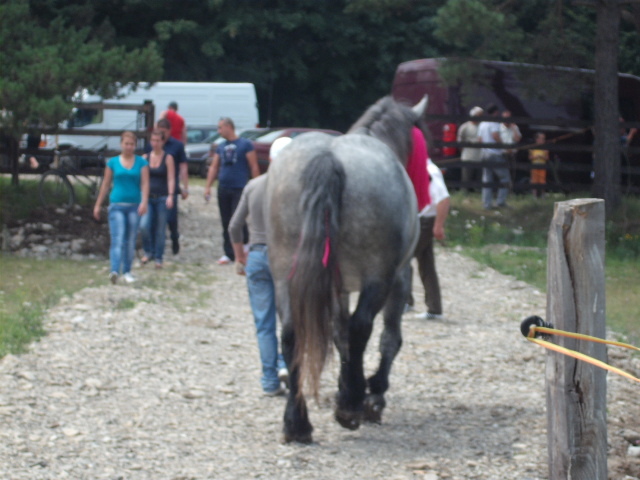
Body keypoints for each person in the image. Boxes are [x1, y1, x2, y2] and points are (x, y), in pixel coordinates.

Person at [228, 137, 291, 396]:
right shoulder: (294, 189)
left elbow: (234, 226)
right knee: (289, 319)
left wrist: (239, 255)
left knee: (264, 323)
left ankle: (269, 381)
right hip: (285, 257)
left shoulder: (253, 186)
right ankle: (285, 362)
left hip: (256, 255)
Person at [93, 131, 149, 284]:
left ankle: (128, 271)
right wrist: (98, 204)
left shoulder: (141, 163)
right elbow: (105, 184)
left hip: (134, 206)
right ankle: (114, 270)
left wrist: (144, 201)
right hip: (117, 205)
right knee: (117, 238)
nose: (129, 147)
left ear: (135, 146)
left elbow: (145, 183)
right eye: (126, 144)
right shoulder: (112, 162)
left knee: (130, 240)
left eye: (132, 144)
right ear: (121, 144)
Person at [204, 117, 260, 265]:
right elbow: (214, 166)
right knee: (226, 220)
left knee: (238, 219)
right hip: (224, 187)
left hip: (239, 187)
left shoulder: (245, 144)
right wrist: (208, 186)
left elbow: (253, 165)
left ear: (229, 127)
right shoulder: (221, 146)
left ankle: (245, 246)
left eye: (220, 127)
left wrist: (258, 186)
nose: (219, 131)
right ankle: (229, 253)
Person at [412, 159, 450, 320]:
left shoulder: (428, 170)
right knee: (426, 265)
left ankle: (403, 301)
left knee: (401, 260)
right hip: (421, 219)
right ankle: (434, 308)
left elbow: (443, 199)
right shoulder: (420, 167)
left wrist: (438, 226)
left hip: (425, 221)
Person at [147, 118, 189, 255]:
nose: (162, 135)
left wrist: (185, 186)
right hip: (154, 186)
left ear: (170, 132)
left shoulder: (177, 146)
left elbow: (183, 166)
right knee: (152, 220)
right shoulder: (152, 146)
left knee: (171, 217)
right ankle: (153, 248)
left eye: (164, 132)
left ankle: (174, 237)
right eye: (160, 131)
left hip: (171, 186)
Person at [140, 129, 175, 268]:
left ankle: (158, 257)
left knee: (160, 229)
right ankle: (148, 251)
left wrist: (171, 195)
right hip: (147, 197)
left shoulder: (168, 158)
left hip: (162, 197)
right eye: (152, 141)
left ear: (162, 141)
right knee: (144, 226)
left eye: (157, 141)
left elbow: (171, 178)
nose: (154, 143)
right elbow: (141, 179)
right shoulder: (145, 158)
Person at [478, 104, 510, 210]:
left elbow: (479, 140)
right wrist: (504, 147)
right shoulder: (494, 124)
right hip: (495, 154)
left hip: (484, 154)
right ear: (495, 112)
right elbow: (495, 136)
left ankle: (486, 204)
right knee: (505, 178)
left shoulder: (482, 124)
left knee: (487, 179)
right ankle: (500, 202)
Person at [457, 106, 484, 191]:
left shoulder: (482, 126)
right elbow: (459, 140)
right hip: (468, 157)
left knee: (479, 179)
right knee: (466, 179)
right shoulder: (465, 126)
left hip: (480, 157)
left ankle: (477, 194)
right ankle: (464, 194)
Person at [529, 132, 549, 198]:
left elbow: (547, 158)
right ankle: (534, 196)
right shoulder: (532, 147)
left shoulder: (545, 148)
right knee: (534, 181)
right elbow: (530, 157)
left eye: (543, 139)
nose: (542, 140)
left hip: (542, 166)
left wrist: (541, 156)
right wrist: (536, 156)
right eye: (541, 138)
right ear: (537, 139)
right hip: (534, 166)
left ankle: (542, 195)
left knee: (542, 181)